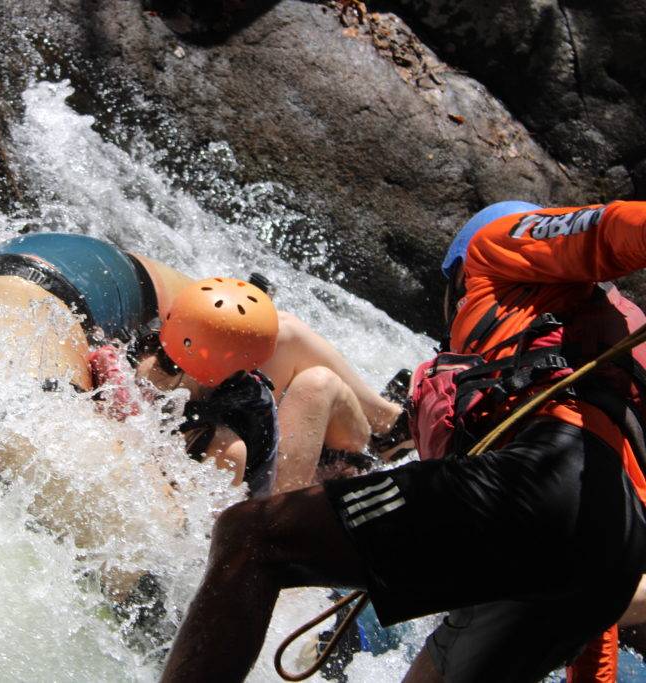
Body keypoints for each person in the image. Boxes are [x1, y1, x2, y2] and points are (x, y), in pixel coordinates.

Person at [160, 200, 646, 683]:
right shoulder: (609, 355)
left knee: (251, 537)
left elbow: (612, 229)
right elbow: (593, 556)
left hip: (539, 483)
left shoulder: (498, 241)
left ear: (456, 279)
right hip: (607, 554)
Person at [0, 231, 402, 496]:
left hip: (243, 450)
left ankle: (388, 430)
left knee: (307, 366)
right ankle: (387, 433)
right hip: (263, 478)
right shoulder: (227, 445)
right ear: (247, 368)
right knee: (319, 384)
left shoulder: (135, 359)